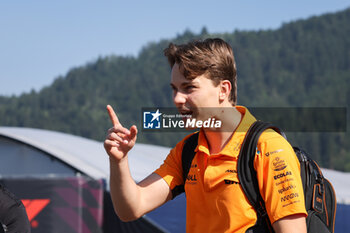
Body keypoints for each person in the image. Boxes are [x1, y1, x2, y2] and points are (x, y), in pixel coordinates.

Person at [104, 38, 307, 233]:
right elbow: (131, 209)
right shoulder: (187, 151)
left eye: (189, 88)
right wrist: (119, 161)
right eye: (174, 89)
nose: (176, 99)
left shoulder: (269, 147)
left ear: (223, 90)